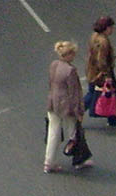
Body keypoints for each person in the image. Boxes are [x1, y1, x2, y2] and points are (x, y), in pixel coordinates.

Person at [44, 40, 92, 173]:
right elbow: (75, 93)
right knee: (74, 134)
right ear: (69, 54)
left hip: (53, 103)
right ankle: (79, 159)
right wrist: (79, 112)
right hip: (67, 107)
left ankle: (49, 162)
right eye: (73, 54)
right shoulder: (70, 70)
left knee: (53, 133)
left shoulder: (53, 65)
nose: (74, 56)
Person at [86, 15, 116, 126]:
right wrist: (106, 75)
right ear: (106, 28)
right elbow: (101, 60)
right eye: (111, 27)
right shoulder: (103, 42)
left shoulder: (94, 37)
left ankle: (112, 118)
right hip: (101, 73)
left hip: (92, 71)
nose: (112, 30)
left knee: (93, 93)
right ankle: (112, 119)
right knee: (110, 92)